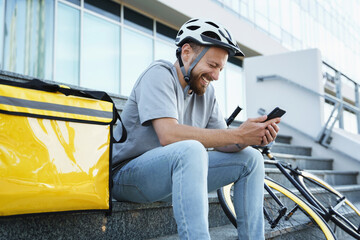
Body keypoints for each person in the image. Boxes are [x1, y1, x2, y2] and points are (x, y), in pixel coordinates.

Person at [112, 18, 281, 240]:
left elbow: (226, 142)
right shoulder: (158, 74)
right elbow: (168, 134)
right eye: (212, 66)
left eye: (220, 68)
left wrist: (251, 137)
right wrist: (238, 133)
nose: (216, 76)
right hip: (126, 176)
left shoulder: (205, 92)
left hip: (172, 179)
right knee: (190, 149)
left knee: (251, 158)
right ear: (187, 52)